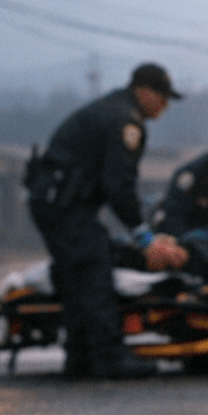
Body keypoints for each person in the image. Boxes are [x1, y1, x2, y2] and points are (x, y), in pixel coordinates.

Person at [25, 62, 181, 380]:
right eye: (162, 97)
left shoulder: (112, 108)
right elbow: (119, 186)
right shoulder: (126, 121)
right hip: (67, 206)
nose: (164, 106)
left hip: (53, 202)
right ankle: (109, 357)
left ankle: (80, 357)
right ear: (144, 91)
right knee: (94, 271)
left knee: (74, 278)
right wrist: (143, 236)